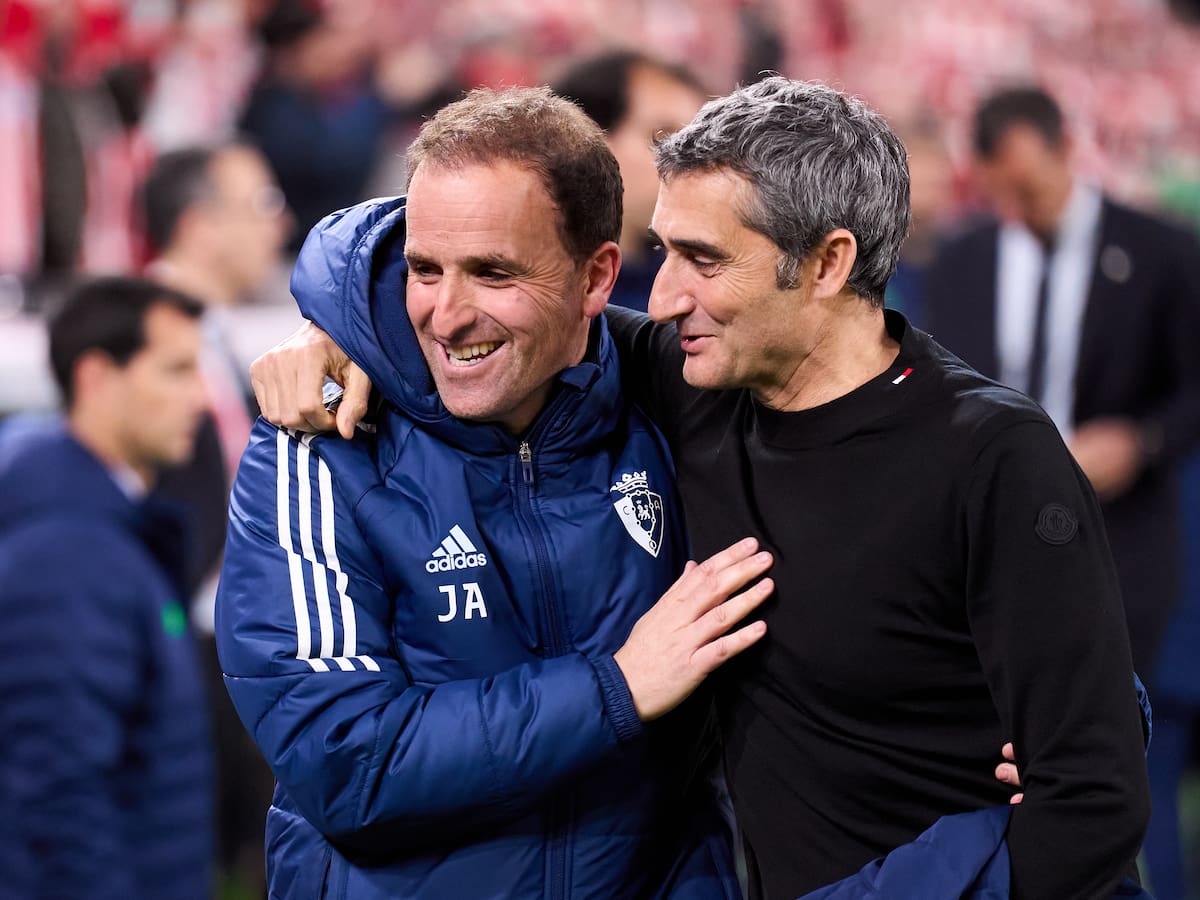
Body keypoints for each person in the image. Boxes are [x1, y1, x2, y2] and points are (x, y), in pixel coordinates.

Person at [254, 78, 1152, 899]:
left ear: (828, 263)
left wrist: (1091, 713)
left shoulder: (990, 453)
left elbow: (1092, 795)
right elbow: (498, 287)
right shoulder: (688, 388)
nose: (667, 297)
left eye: (704, 259)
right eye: (664, 252)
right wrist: (337, 331)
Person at [215, 86, 774, 898]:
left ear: (596, 277)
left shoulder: (674, 404)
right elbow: (344, 762)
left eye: (492, 272)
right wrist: (617, 687)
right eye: (424, 269)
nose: (446, 315)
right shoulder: (319, 441)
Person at [924, 86, 1200, 679]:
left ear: (1067, 148)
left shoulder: (1161, 251)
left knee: (1114, 713)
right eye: (1000, 193)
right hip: (991, 539)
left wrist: (1141, 442)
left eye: (1027, 188)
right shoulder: (960, 261)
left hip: (1119, 537)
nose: (1016, 209)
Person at [0, 276, 213, 899]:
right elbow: (58, 794)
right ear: (96, 378)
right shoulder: (67, 554)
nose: (200, 398)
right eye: (175, 371)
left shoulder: (106, 531)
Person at [141, 140, 292, 900]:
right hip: (184, 642)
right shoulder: (138, 336)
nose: (280, 223)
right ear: (199, 226)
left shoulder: (216, 337)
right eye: (262, 204)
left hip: (230, 635)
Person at [552, 50, 708, 312]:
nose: (695, 161)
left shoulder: (699, 284)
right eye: (664, 137)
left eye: (700, 142)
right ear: (585, 143)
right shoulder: (539, 295)